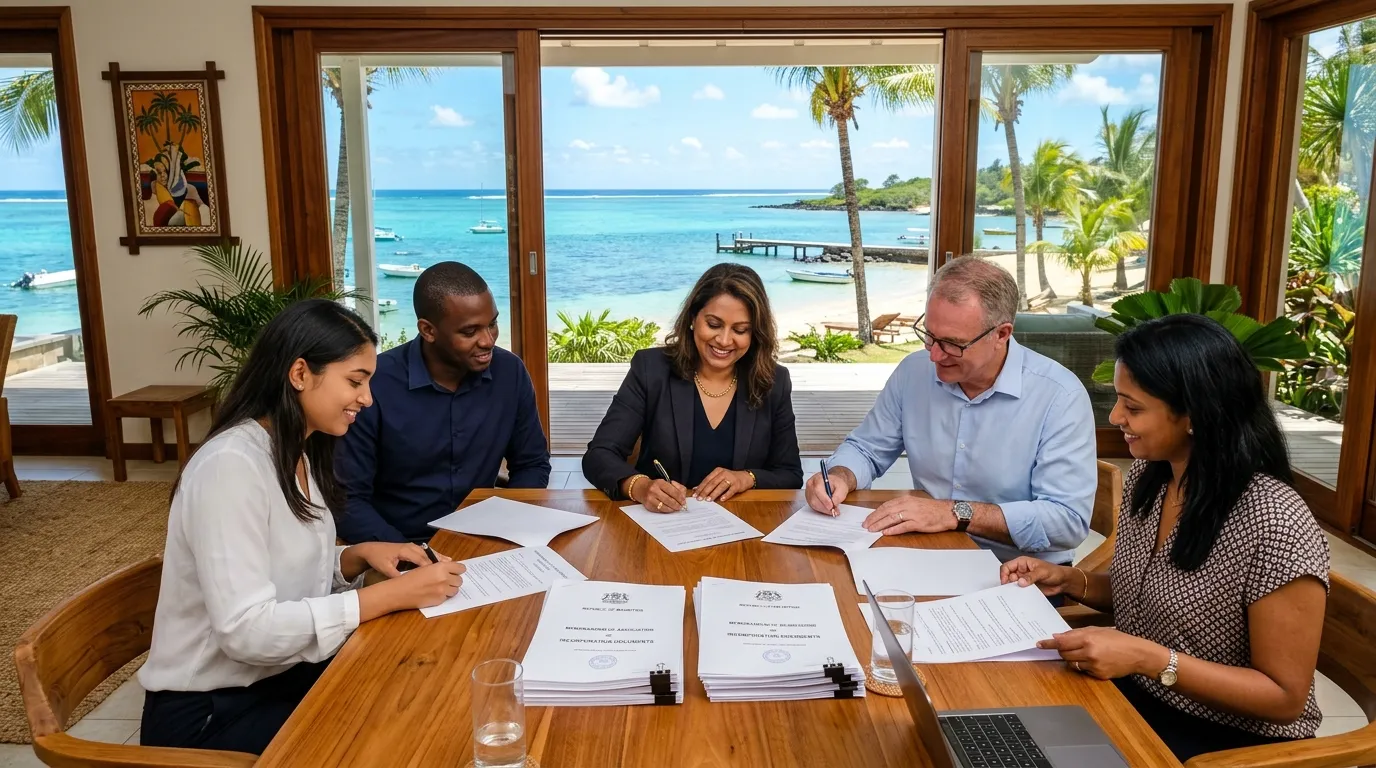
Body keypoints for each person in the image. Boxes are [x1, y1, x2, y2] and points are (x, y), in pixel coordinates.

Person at [139, 299, 467, 755]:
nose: (367, 399)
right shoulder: (229, 467)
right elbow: (246, 631)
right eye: (355, 381)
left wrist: (353, 557)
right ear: (299, 374)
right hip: (211, 715)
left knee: (423, 687)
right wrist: (383, 596)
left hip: (276, 677)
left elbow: (278, 562)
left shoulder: (294, 451)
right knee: (399, 733)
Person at [1000, 314, 1330, 763]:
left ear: (1194, 414)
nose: (1116, 418)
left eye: (1133, 408)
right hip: (1137, 698)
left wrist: (1149, 659)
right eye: (1118, 402)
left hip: (1228, 743)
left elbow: (1284, 698)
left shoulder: (1274, 523)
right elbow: (1150, 595)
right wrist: (1070, 580)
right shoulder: (1152, 478)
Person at [804, 255, 1096, 563]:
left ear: (1001, 334)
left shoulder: (1059, 396)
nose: (934, 356)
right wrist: (840, 476)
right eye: (929, 336)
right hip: (930, 555)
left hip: (1020, 572)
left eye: (952, 344)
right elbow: (866, 449)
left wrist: (954, 512)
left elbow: (1067, 521)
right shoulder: (913, 372)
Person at [335, 262, 551, 543]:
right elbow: (349, 501)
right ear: (428, 330)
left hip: (484, 539)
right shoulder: (374, 385)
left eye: (493, 324)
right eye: (470, 331)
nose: (488, 341)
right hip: (394, 546)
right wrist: (412, 559)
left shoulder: (510, 373)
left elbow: (532, 464)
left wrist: (508, 527)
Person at [583, 263, 803, 510]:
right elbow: (598, 455)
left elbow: (790, 474)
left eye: (740, 330)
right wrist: (641, 486)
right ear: (692, 319)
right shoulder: (650, 369)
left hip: (744, 528)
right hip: (662, 525)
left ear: (755, 334)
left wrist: (746, 478)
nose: (724, 340)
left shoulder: (774, 381)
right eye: (713, 324)